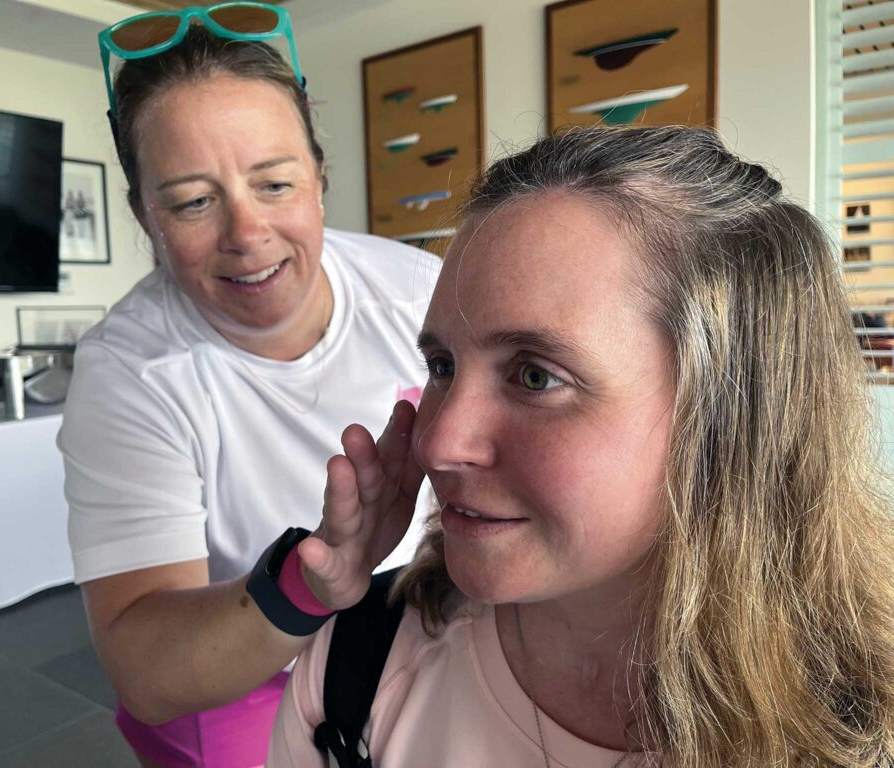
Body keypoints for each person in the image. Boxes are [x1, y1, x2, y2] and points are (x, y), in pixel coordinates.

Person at [268, 126, 894, 767]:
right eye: (442, 365)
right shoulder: (358, 667)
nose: (438, 442)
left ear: (733, 415)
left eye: (536, 377)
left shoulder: (856, 728)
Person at [57, 6, 437, 767]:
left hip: (424, 620)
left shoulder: (418, 293)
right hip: (236, 657)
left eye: (274, 183)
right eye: (193, 201)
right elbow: (145, 670)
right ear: (144, 216)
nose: (246, 233)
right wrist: (313, 582)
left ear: (320, 181)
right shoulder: (130, 375)